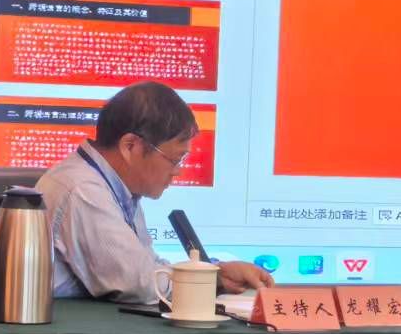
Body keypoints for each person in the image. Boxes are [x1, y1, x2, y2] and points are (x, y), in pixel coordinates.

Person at [35, 81, 273, 304]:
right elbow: (139, 283)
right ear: (131, 146)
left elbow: (148, 266)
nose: (178, 171)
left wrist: (216, 272)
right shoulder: (83, 190)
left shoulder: (116, 185)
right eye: (175, 159)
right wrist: (214, 279)